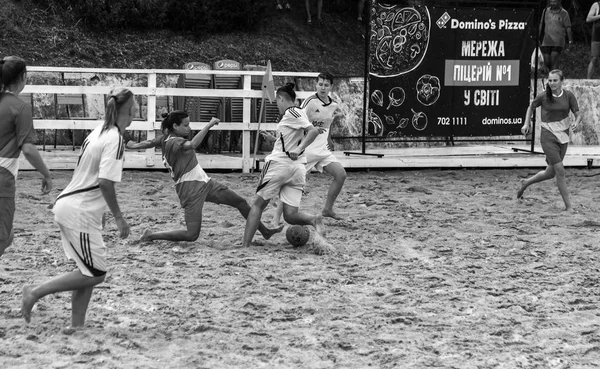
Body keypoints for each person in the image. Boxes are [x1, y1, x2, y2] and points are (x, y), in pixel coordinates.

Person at [21, 87, 136, 327]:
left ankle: (77, 326)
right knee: (96, 273)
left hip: (77, 207)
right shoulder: (114, 137)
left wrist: (102, 211)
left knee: (87, 272)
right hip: (78, 210)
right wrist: (118, 217)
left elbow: (91, 176)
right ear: (132, 110)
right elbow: (104, 182)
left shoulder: (100, 131)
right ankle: (34, 292)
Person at [138, 111, 283, 243]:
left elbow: (150, 142)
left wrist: (132, 145)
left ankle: (265, 231)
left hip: (205, 183)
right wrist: (210, 124)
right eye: (186, 125)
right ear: (175, 126)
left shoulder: (165, 139)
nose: (189, 128)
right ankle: (151, 235)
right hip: (191, 190)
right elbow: (194, 144)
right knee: (191, 235)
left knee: (240, 202)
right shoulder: (175, 142)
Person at [242, 83, 330, 252]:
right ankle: (314, 220)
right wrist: (272, 139)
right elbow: (290, 139)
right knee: (290, 215)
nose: (277, 105)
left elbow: (312, 132)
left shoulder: (291, 112)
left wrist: (298, 149)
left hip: (279, 165)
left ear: (281, 99)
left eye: (277, 102)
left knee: (257, 205)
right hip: (297, 168)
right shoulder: (297, 114)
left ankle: (245, 245)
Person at [270, 72, 346, 225]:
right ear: (316, 85)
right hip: (307, 150)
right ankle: (276, 218)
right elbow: (296, 119)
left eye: (326, 85)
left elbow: (328, 123)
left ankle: (328, 209)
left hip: (323, 150)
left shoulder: (333, 105)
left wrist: (329, 139)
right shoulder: (310, 102)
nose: (322, 87)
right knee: (290, 183)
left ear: (331, 87)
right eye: (320, 84)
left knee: (341, 175)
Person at [0, 56, 52, 258]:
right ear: (23, 77)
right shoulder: (20, 108)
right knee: (3, 238)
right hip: (2, 177)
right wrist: (46, 174)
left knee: (8, 235)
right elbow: (28, 149)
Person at [518, 69, 581, 211]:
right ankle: (569, 207)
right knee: (560, 170)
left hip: (563, 137)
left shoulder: (569, 96)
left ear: (561, 81)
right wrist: (526, 123)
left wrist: (576, 122)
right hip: (548, 137)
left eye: (555, 80)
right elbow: (531, 107)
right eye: (550, 80)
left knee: (550, 172)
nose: (552, 83)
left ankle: (526, 182)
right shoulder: (544, 96)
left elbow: (577, 113)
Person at [539, 0, 573, 72]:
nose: (552, 3)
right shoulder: (545, 11)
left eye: (554, 2)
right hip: (546, 40)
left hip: (558, 41)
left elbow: (568, 28)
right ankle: (549, 78)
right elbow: (541, 24)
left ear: (559, 1)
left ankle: (555, 77)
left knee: (554, 59)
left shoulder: (564, 13)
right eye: (551, 1)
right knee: (546, 61)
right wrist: (538, 37)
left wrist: (570, 41)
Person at [587, 1, 600, 79]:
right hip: (597, 36)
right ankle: (588, 80)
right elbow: (588, 18)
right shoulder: (596, 5)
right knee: (594, 58)